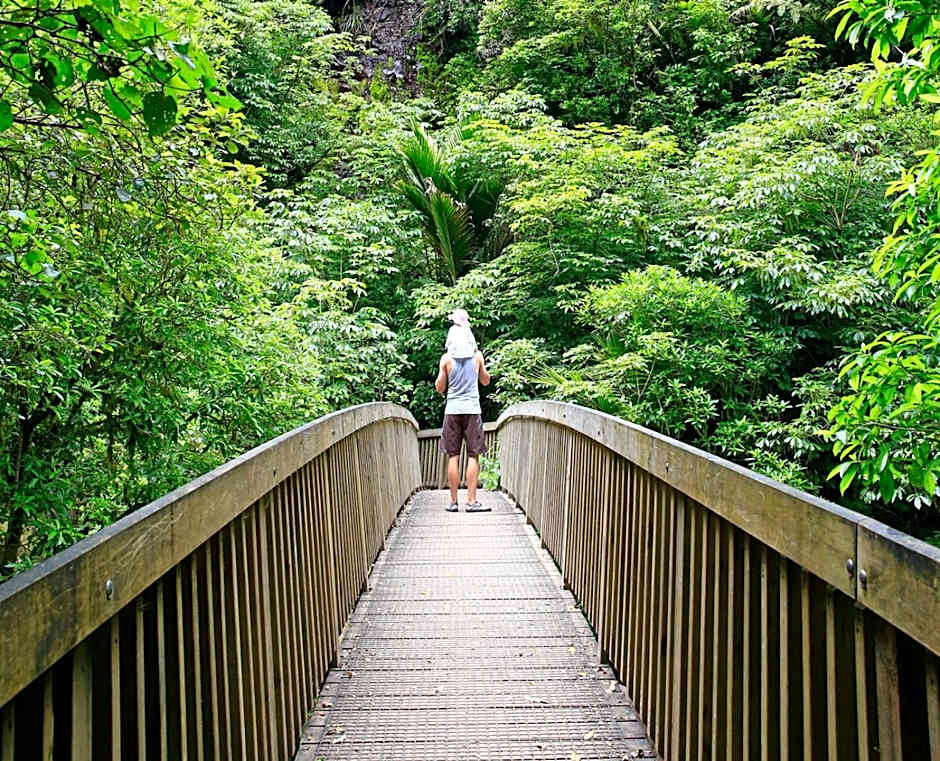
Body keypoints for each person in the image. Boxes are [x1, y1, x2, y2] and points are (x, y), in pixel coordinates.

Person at [435, 308, 491, 512]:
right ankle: (472, 501)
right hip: (472, 409)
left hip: (452, 410)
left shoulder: (446, 359)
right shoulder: (477, 357)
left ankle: (453, 502)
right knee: (473, 455)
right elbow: (485, 381)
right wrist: (481, 369)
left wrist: (444, 372)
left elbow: (440, 388)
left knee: (453, 456)